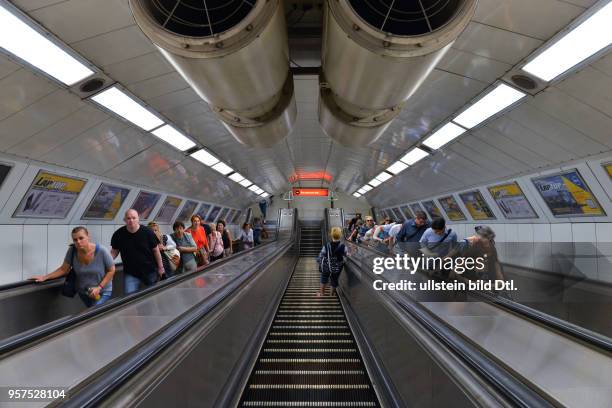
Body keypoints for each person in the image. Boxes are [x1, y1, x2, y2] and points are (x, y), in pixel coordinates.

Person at [32, 227, 115, 307]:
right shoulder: (72, 251)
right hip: (84, 292)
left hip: (102, 291)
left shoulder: (102, 251)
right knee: (92, 314)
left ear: (88, 236)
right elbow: (63, 269)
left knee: (94, 313)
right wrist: (44, 277)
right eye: (75, 240)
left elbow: (111, 270)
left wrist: (99, 288)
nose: (78, 242)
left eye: (81, 238)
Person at [111, 209, 164, 295]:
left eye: (133, 218)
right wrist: (106, 262)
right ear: (125, 220)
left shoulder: (148, 232)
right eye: (128, 218)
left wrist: (161, 267)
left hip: (149, 271)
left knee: (153, 295)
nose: (131, 220)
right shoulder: (118, 234)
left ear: (138, 219)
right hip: (131, 273)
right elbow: (114, 252)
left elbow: (156, 250)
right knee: (129, 298)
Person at [316, 227, 348, 297]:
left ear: (331, 235)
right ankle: (332, 295)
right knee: (334, 279)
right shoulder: (343, 246)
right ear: (340, 236)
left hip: (326, 265)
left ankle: (321, 293)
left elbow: (321, 255)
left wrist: (318, 261)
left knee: (324, 278)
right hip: (338, 266)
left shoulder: (326, 246)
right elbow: (346, 254)